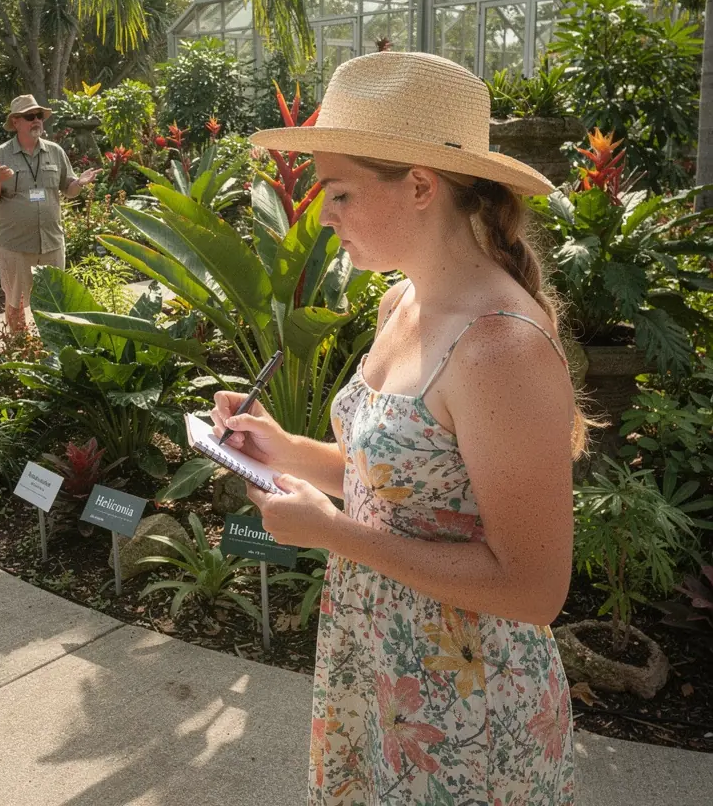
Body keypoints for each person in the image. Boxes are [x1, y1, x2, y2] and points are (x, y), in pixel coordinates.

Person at [211, 53, 580, 805]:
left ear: (421, 185)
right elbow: (384, 476)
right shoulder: (403, 304)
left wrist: (332, 534)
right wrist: (282, 449)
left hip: (464, 706)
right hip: (381, 668)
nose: (321, 213)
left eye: (339, 190)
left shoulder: (498, 347)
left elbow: (535, 589)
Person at [0, 94, 101, 331]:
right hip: (16, 244)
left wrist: (80, 183)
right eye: (29, 116)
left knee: (56, 301)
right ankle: (18, 349)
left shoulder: (55, 152)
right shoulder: (0, 155)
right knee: (16, 303)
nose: (36, 120)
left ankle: (52, 350)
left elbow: (69, 190)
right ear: (16, 122)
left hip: (51, 242)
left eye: (39, 116)